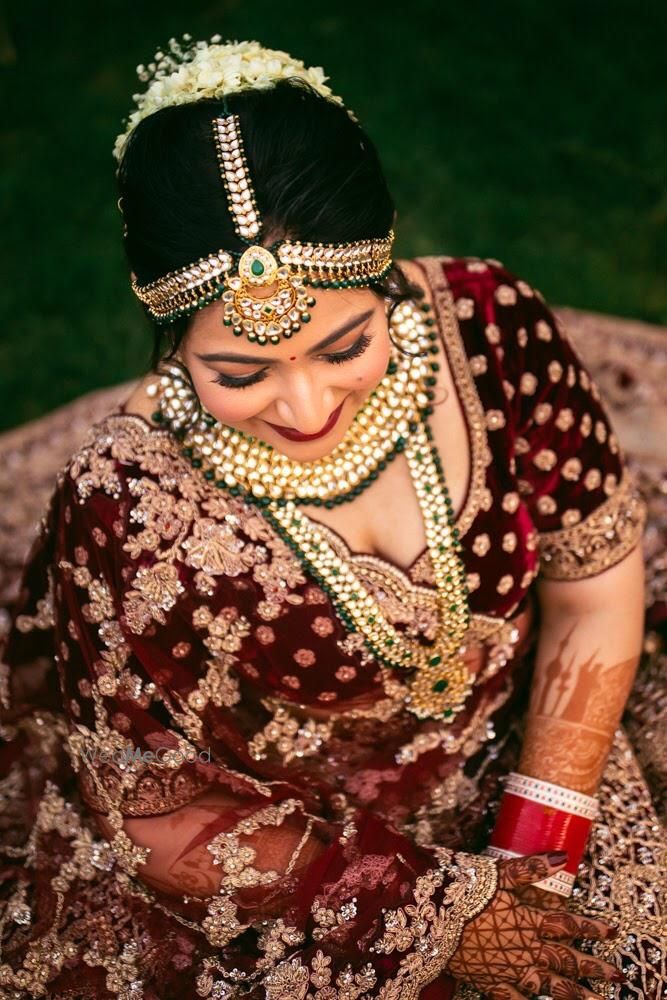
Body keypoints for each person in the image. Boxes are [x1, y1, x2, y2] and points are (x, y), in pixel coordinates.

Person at [0, 35, 664, 1000]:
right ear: (166, 341)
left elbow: (593, 586)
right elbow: (154, 809)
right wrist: (435, 913)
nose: (306, 410)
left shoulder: (490, 328)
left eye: (348, 343)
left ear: (387, 274)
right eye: (237, 373)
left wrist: (543, 836)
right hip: (295, 866)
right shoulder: (129, 501)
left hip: (517, 753)